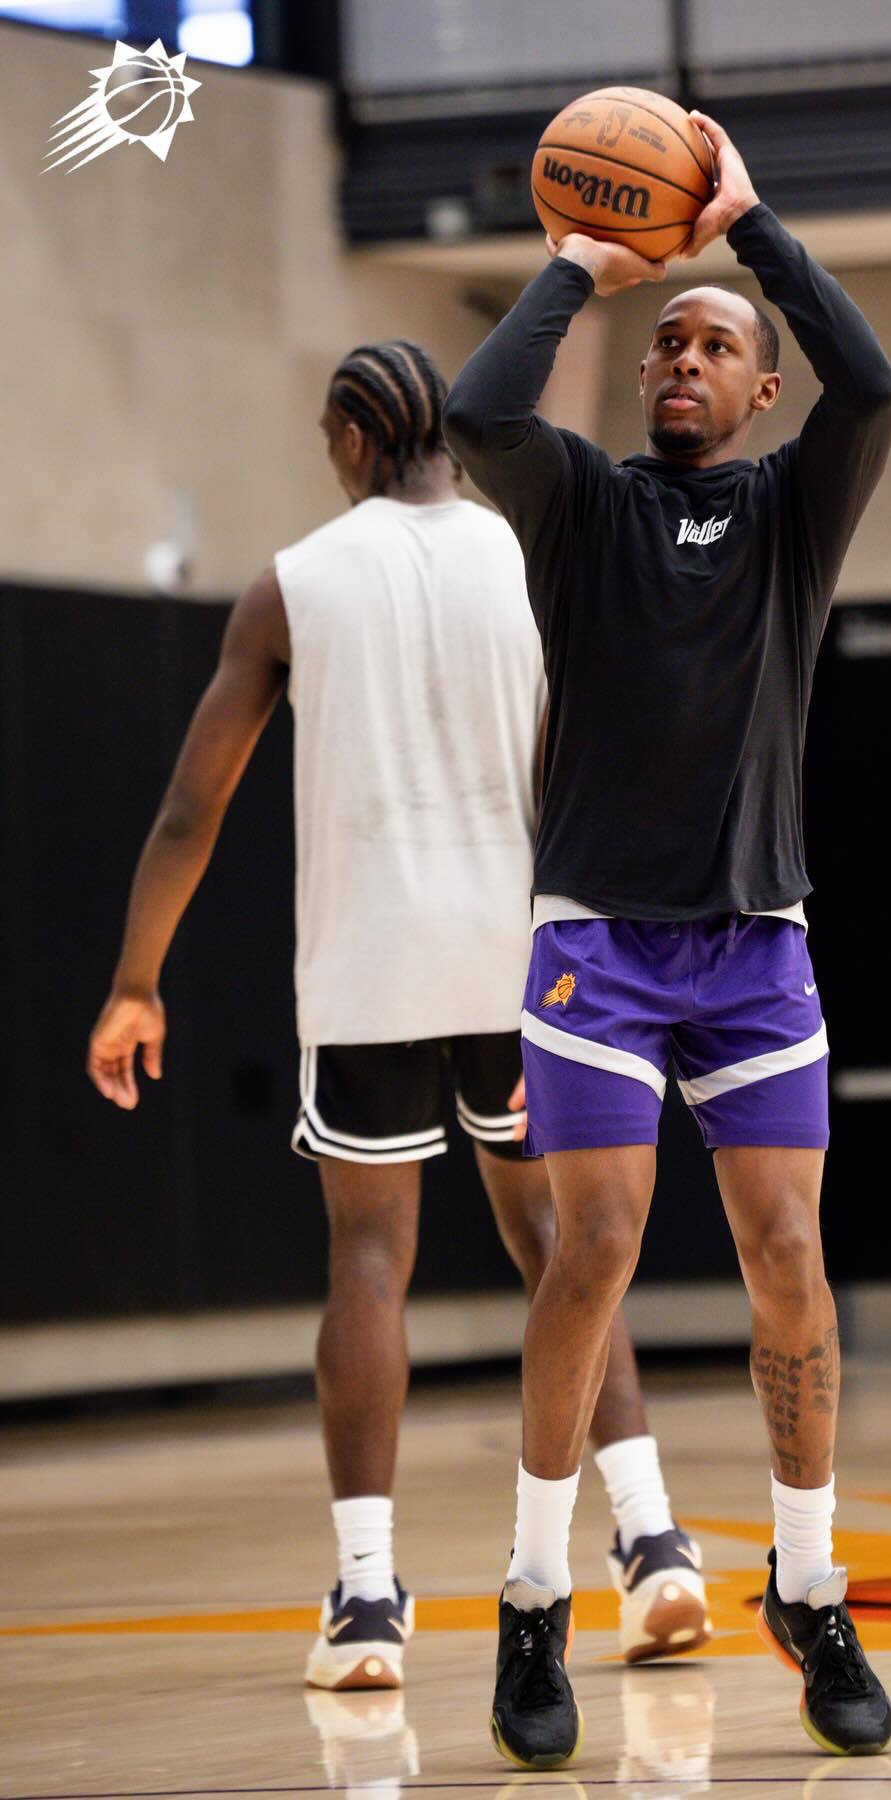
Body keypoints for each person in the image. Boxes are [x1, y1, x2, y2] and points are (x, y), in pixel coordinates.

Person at [86, 340, 708, 1691]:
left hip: (369, 966)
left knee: (369, 1258)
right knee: (564, 1245)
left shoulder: (294, 583)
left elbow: (193, 806)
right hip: (519, 959)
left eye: (328, 438)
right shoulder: (524, 556)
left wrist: (137, 981)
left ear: (358, 440)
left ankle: (367, 1602)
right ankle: (653, 1542)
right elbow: (588, 768)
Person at [443, 111, 891, 1769]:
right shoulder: (581, 505)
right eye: (671, 346)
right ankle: (532, 1596)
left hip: (754, 946)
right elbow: (480, 412)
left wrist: (751, 230)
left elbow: (876, 387)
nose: (686, 362)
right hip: (601, 947)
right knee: (595, 1249)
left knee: (791, 1262)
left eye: (717, 348)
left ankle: (807, 1582)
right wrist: (582, 262)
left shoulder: (793, 514)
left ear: (762, 390)